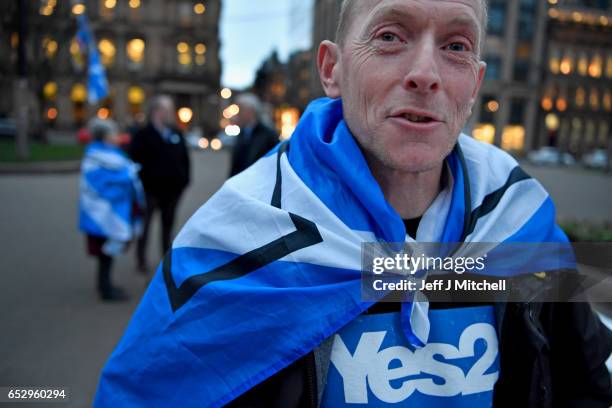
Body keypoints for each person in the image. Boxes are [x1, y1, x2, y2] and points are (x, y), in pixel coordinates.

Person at [94, 1, 612, 407]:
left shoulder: (522, 222)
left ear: (473, 85)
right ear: (332, 69)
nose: (425, 73)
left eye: (456, 45)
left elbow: (585, 385)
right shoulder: (236, 240)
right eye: (390, 37)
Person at [78, 118, 145, 301]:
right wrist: (126, 178)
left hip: (112, 211)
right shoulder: (96, 158)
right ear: (105, 137)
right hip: (104, 213)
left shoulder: (110, 155)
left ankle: (105, 284)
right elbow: (98, 186)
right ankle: (105, 288)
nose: (118, 136)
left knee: (107, 251)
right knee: (105, 251)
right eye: (114, 133)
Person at [129, 95, 190, 273]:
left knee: (168, 227)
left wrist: (184, 181)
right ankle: (141, 260)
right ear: (157, 111)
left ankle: (165, 260)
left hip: (172, 192)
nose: (171, 114)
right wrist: (143, 183)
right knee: (144, 228)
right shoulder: (142, 134)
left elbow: (185, 160)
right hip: (149, 191)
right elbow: (134, 162)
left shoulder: (176, 133)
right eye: (168, 110)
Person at [228, 93, 279, 177]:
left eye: (240, 110)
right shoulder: (242, 133)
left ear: (250, 111)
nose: (238, 114)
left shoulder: (268, 134)